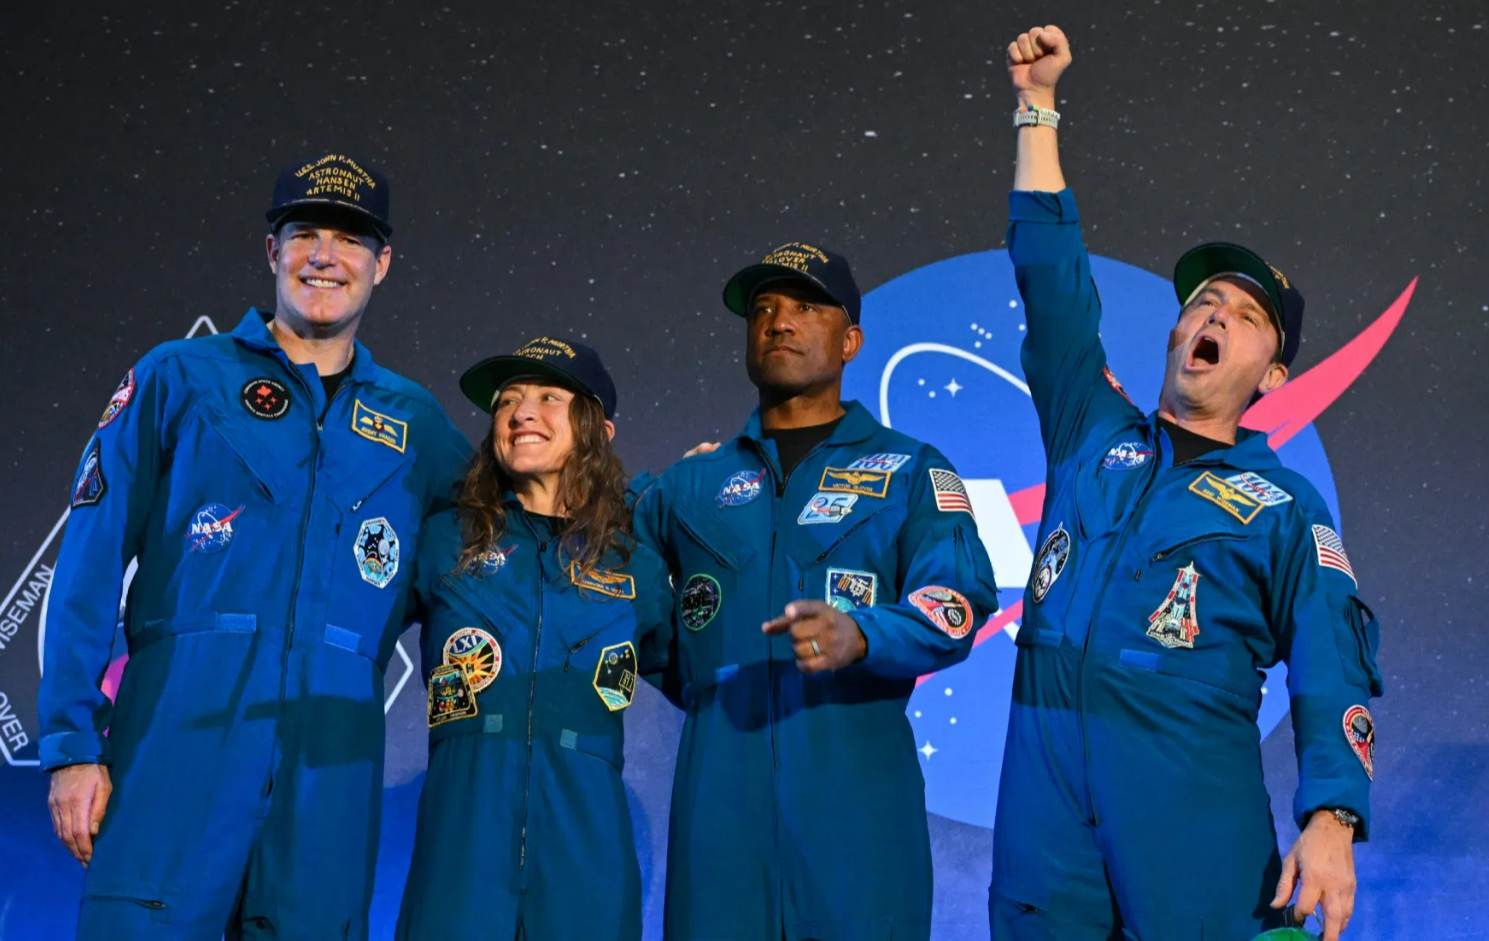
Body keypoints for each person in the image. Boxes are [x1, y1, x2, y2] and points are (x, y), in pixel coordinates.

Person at [988, 26, 1382, 941]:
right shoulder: (1090, 430)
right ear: (1175, 332)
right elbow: (1052, 281)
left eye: (1245, 315)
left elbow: (1331, 661)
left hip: (1192, 832)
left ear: (1272, 373)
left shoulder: (1283, 508)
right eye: (1204, 301)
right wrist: (1036, 108)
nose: (1215, 313)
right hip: (1046, 841)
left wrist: (1332, 816)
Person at [38, 154, 472, 940]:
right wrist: (71, 744)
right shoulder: (179, 376)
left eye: (350, 240)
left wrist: (656, 499)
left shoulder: (417, 424)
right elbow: (89, 561)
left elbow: (519, 527)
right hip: (178, 737)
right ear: (273, 251)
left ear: (382, 263)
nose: (324, 256)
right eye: (304, 234)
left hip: (330, 765)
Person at [631, 243, 1000, 940]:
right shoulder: (689, 485)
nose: (778, 322)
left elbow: (957, 603)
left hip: (855, 805)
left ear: (850, 341)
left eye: (805, 307)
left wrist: (861, 635)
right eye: (764, 309)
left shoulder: (909, 469)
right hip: (719, 808)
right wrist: (711, 688)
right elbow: (627, 603)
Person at [396, 337, 672, 941]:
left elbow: (705, 677)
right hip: (461, 849)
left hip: (586, 852)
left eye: (549, 397)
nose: (522, 413)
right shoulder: (442, 540)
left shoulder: (636, 563)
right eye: (508, 401)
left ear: (599, 429)